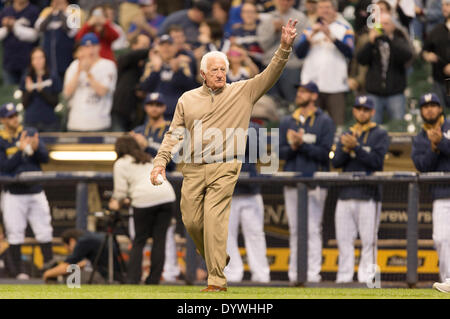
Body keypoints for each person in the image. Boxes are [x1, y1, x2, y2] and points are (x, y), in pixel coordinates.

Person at [150, 19, 299, 292]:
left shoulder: (243, 91)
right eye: (214, 70)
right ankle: (216, 258)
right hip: (192, 167)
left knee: (215, 219)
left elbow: (270, 73)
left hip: (225, 166)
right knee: (192, 222)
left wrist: (284, 48)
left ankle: (216, 280)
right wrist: (160, 162)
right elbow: (174, 134)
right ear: (203, 74)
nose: (220, 73)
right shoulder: (186, 99)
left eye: (223, 69)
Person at [279, 81, 335, 284]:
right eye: (299, 91)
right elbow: (279, 152)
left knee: (312, 229)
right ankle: (294, 273)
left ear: (314, 96)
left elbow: (325, 154)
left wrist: (302, 145)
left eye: (304, 92)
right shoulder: (288, 121)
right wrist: (294, 146)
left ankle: (312, 273)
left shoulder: (324, 121)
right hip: (292, 181)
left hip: (315, 182)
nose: (299, 94)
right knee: (295, 229)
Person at [331, 95, 389, 283]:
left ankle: (369, 280)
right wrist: (347, 149)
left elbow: (377, 162)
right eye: (358, 109)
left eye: (366, 109)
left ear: (372, 112)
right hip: (346, 194)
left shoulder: (380, 134)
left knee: (369, 242)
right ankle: (344, 279)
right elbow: (336, 161)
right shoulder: (347, 133)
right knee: (344, 241)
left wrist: (357, 147)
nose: (362, 112)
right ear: (354, 111)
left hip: (369, 195)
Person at [109, 135, 176, 284]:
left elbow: (120, 193)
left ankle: (133, 279)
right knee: (160, 240)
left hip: (144, 200)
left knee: (139, 240)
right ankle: (153, 280)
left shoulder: (121, 163)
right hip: (167, 196)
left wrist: (115, 204)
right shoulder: (147, 158)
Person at [0, 102, 53, 280]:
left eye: (15, 115)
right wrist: (20, 151)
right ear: (3, 120)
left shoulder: (29, 132)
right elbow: (4, 167)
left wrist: (35, 148)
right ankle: (17, 273)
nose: (14, 119)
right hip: (14, 194)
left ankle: (49, 270)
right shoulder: (0, 139)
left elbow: (45, 158)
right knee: (15, 233)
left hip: (36, 190)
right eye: (10, 117)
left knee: (44, 230)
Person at [130, 92, 180, 282]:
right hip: (141, 187)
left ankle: (168, 272)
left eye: (158, 104)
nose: (154, 107)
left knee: (164, 235)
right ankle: (135, 276)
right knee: (138, 236)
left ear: (164, 107)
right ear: (145, 107)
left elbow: (174, 161)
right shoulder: (138, 130)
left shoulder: (173, 130)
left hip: (165, 185)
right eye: (151, 104)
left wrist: (147, 147)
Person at [411, 93, 450, 292]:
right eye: (425, 106)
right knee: (441, 239)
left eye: (433, 105)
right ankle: (448, 282)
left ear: (440, 108)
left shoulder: (449, 126)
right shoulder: (419, 138)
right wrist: (434, 148)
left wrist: (442, 142)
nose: (429, 109)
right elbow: (422, 165)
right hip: (441, 194)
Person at [224, 120, 271, 283]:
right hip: (226, 192)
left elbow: (260, 153)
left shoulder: (254, 127)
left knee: (255, 234)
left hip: (250, 191)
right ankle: (232, 275)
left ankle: (261, 275)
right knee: (226, 236)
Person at [295, 0, 354, 128]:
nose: (324, 10)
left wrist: (331, 36)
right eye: (321, 7)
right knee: (310, 125)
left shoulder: (345, 28)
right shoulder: (310, 29)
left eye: (327, 7)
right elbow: (299, 54)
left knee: (337, 125)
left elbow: (349, 53)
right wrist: (312, 36)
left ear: (335, 10)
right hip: (311, 85)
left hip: (336, 85)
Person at [356, 13, 414, 124]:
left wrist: (389, 40)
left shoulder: (399, 40)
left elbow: (407, 56)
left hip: (395, 93)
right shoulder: (372, 43)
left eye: (386, 24)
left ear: (393, 26)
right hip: (374, 93)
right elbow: (361, 60)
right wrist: (370, 43)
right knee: (372, 127)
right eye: (380, 24)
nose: (383, 27)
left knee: (398, 127)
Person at [257, 0, 309, 104]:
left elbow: (303, 45)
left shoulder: (301, 18)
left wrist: (288, 35)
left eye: (288, 0)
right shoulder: (268, 18)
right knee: (269, 102)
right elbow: (263, 45)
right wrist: (274, 31)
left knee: (292, 101)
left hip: (291, 65)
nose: (284, 2)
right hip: (270, 64)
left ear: (293, 2)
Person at [63, 32, 117, 132]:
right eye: (87, 47)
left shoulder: (108, 65)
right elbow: (67, 93)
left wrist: (88, 73)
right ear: (82, 49)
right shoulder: (74, 66)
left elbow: (102, 91)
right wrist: (79, 71)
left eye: (94, 46)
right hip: (75, 123)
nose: (90, 50)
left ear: (99, 47)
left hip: (99, 124)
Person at [139, 34, 197, 121]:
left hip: (177, 113)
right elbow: (143, 87)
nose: (166, 48)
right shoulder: (151, 65)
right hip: (154, 113)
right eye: (162, 45)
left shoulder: (183, 64)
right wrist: (156, 70)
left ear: (175, 48)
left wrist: (177, 72)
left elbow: (191, 87)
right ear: (158, 48)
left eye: (169, 45)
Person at [42, 228, 124, 283]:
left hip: (106, 277)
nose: (67, 250)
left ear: (72, 241)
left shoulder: (83, 241)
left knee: (71, 278)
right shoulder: (92, 237)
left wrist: (47, 273)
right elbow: (86, 262)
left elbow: (66, 267)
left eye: (66, 247)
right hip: (118, 276)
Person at [111, 34, 151, 132]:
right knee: (119, 141)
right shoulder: (125, 58)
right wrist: (152, 50)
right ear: (134, 46)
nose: (146, 48)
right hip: (121, 109)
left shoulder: (149, 64)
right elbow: (131, 56)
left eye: (148, 45)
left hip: (138, 112)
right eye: (143, 45)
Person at [20, 47, 62, 132]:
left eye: (40, 58)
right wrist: (29, 91)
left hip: (49, 122)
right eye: (34, 58)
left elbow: (55, 102)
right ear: (31, 61)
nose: (37, 61)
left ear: (45, 59)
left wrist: (42, 91)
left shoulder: (53, 77)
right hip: (30, 122)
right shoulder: (27, 77)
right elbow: (24, 104)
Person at [35, 0, 77, 80]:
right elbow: (38, 28)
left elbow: (72, 31)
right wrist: (51, 13)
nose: (57, 3)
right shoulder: (47, 12)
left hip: (66, 56)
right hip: (49, 57)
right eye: (55, 2)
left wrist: (61, 13)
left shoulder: (73, 10)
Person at [0, 0, 40, 85]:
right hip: (9, 62)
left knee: (27, 94)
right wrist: (7, 27)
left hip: (28, 62)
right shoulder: (6, 11)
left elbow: (34, 36)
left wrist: (14, 25)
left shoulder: (34, 10)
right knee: (9, 94)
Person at [422, 0, 450, 109]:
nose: (444, 8)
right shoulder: (437, 30)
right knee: (440, 115)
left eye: (447, 5)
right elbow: (424, 51)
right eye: (442, 5)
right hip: (440, 81)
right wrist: (427, 55)